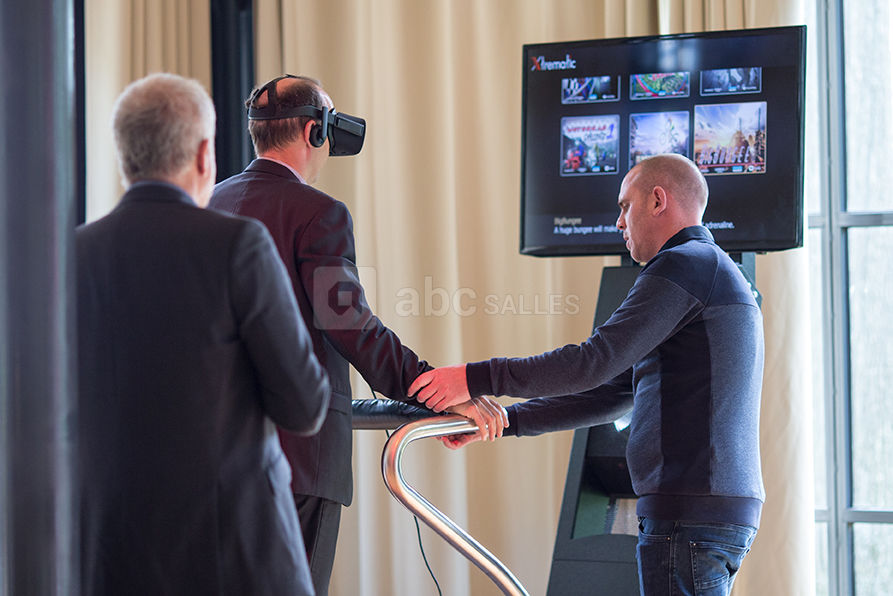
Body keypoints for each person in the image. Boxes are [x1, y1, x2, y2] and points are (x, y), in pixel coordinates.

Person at [410, 153, 765, 596]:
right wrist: (506, 421)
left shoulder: (685, 265)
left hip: (689, 512)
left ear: (658, 200)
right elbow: (613, 391)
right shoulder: (711, 269)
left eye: (624, 206)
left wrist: (473, 377)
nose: (619, 222)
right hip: (710, 509)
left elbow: (591, 361)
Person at [210, 74, 506, 595]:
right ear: (315, 131)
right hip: (295, 460)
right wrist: (430, 386)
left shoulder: (206, 205)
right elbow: (346, 320)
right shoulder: (318, 213)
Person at [77, 73, 332, 596]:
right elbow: (304, 407)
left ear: (126, 157)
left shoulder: (73, 256)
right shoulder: (239, 246)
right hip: (235, 552)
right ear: (203, 154)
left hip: (110, 552)